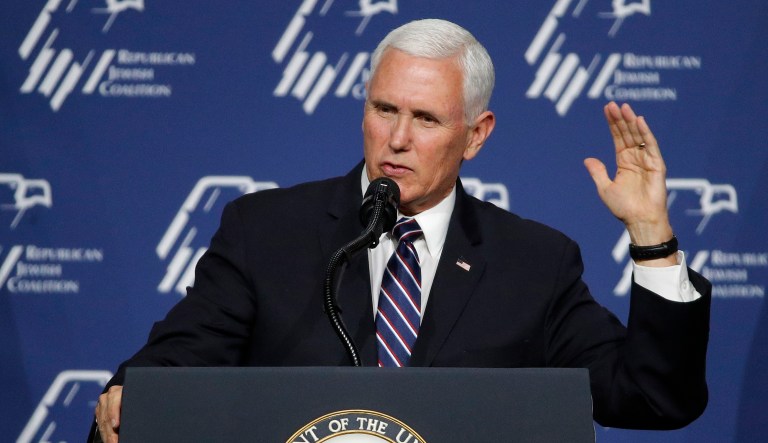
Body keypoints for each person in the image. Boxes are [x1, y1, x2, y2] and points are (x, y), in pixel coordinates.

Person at [92, 18, 710, 442]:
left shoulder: (534, 262)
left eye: (426, 118)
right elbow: (180, 358)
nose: (397, 139)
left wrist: (652, 236)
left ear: (476, 134)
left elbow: (652, 399)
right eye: (384, 109)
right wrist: (132, 395)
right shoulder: (267, 231)